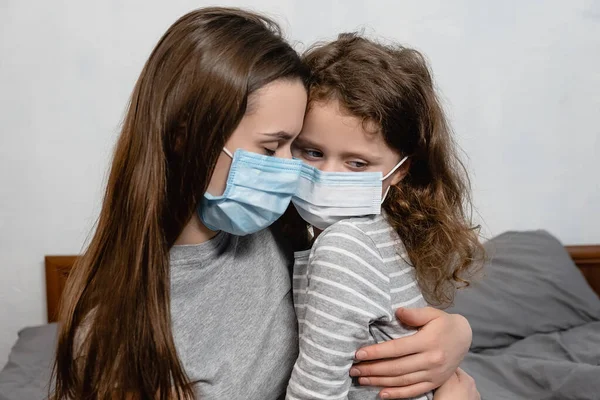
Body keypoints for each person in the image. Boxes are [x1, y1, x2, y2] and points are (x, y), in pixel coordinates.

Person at [52, 8, 475, 400]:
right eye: (273, 148)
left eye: (297, 146)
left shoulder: (282, 225)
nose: (297, 172)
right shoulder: (117, 332)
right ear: (185, 136)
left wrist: (454, 334)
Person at [285, 33, 483, 399]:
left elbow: (316, 390)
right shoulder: (378, 230)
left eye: (357, 163)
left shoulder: (342, 246)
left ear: (401, 170)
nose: (328, 175)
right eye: (311, 152)